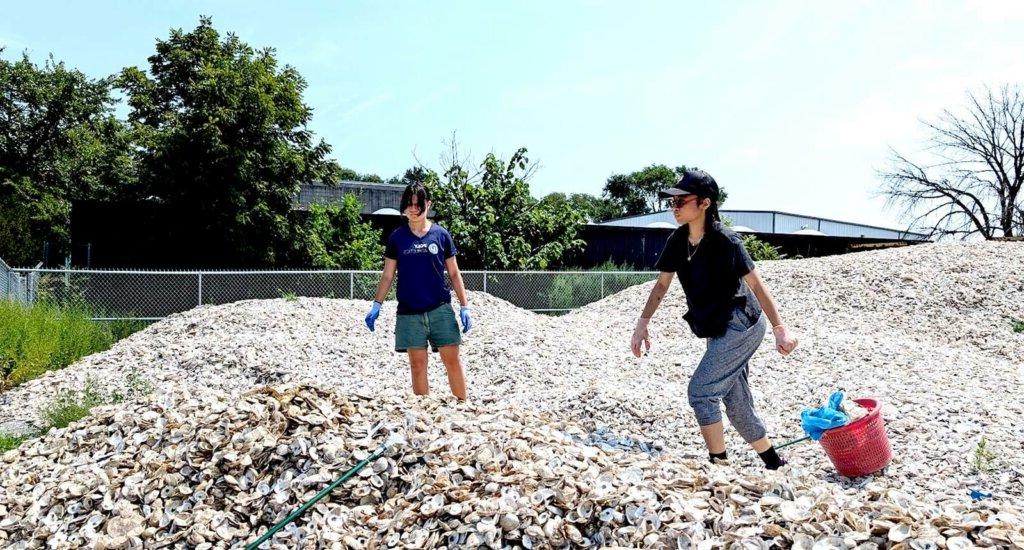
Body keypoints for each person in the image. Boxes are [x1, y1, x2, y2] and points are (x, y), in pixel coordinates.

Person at [630, 168, 799, 469]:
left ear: (705, 203)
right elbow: (661, 285)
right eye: (673, 202)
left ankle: (718, 466)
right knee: (735, 402)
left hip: (741, 324)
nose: (675, 207)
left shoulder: (726, 241)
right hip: (714, 326)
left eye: (682, 201)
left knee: (701, 392)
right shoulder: (678, 241)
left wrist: (780, 330)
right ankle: (773, 461)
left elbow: (757, 285)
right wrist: (642, 324)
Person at [365, 183, 472, 400]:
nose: (413, 209)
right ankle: (425, 412)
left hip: (440, 309)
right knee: (417, 364)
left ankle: (463, 405)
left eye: (418, 204)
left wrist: (464, 305)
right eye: (409, 204)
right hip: (409, 312)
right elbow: (388, 275)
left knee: (451, 359)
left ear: (428, 204)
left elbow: (454, 273)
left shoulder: (441, 235)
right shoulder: (397, 238)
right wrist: (377, 304)